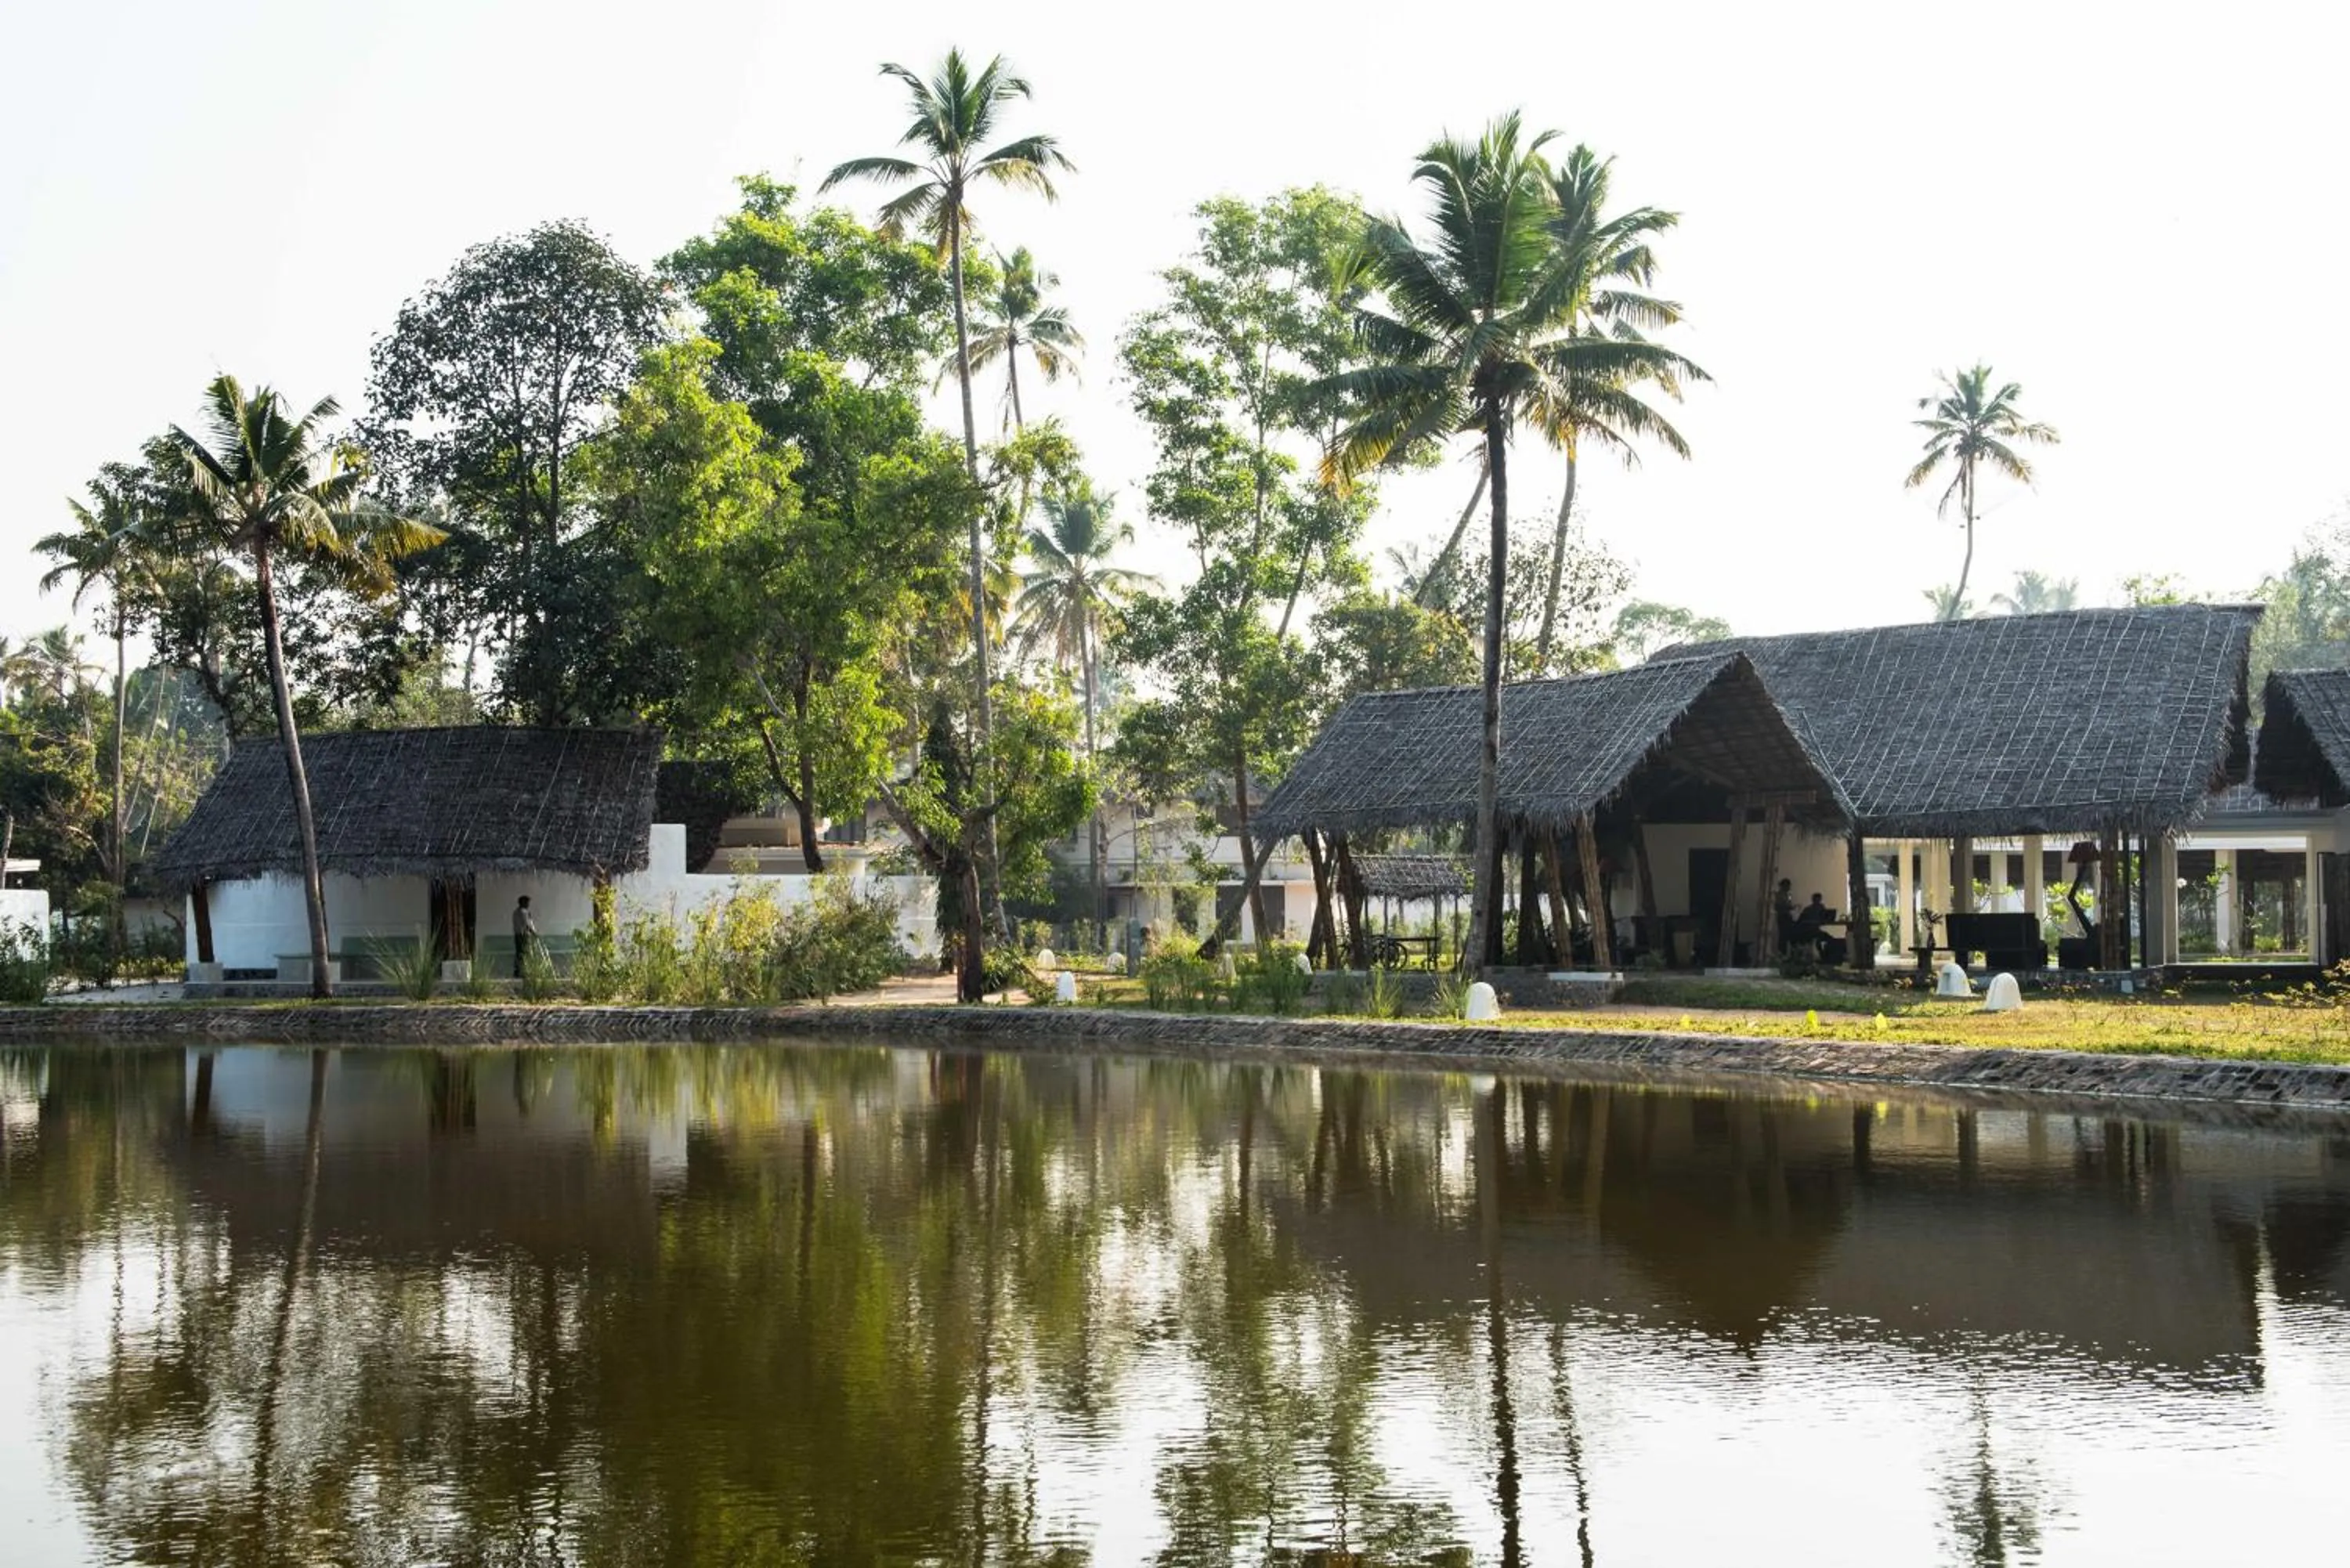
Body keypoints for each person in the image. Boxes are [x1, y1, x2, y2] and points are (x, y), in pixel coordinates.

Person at [512, 894, 538, 978]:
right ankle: (525, 971)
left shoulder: (516, 912)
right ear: (523, 902)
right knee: (525, 953)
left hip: (517, 935)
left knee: (519, 953)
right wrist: (534, 933)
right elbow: (527, 924)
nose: (528, 904)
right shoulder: (524, 912)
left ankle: (518, 971)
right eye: (527, 902)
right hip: (524, 936)